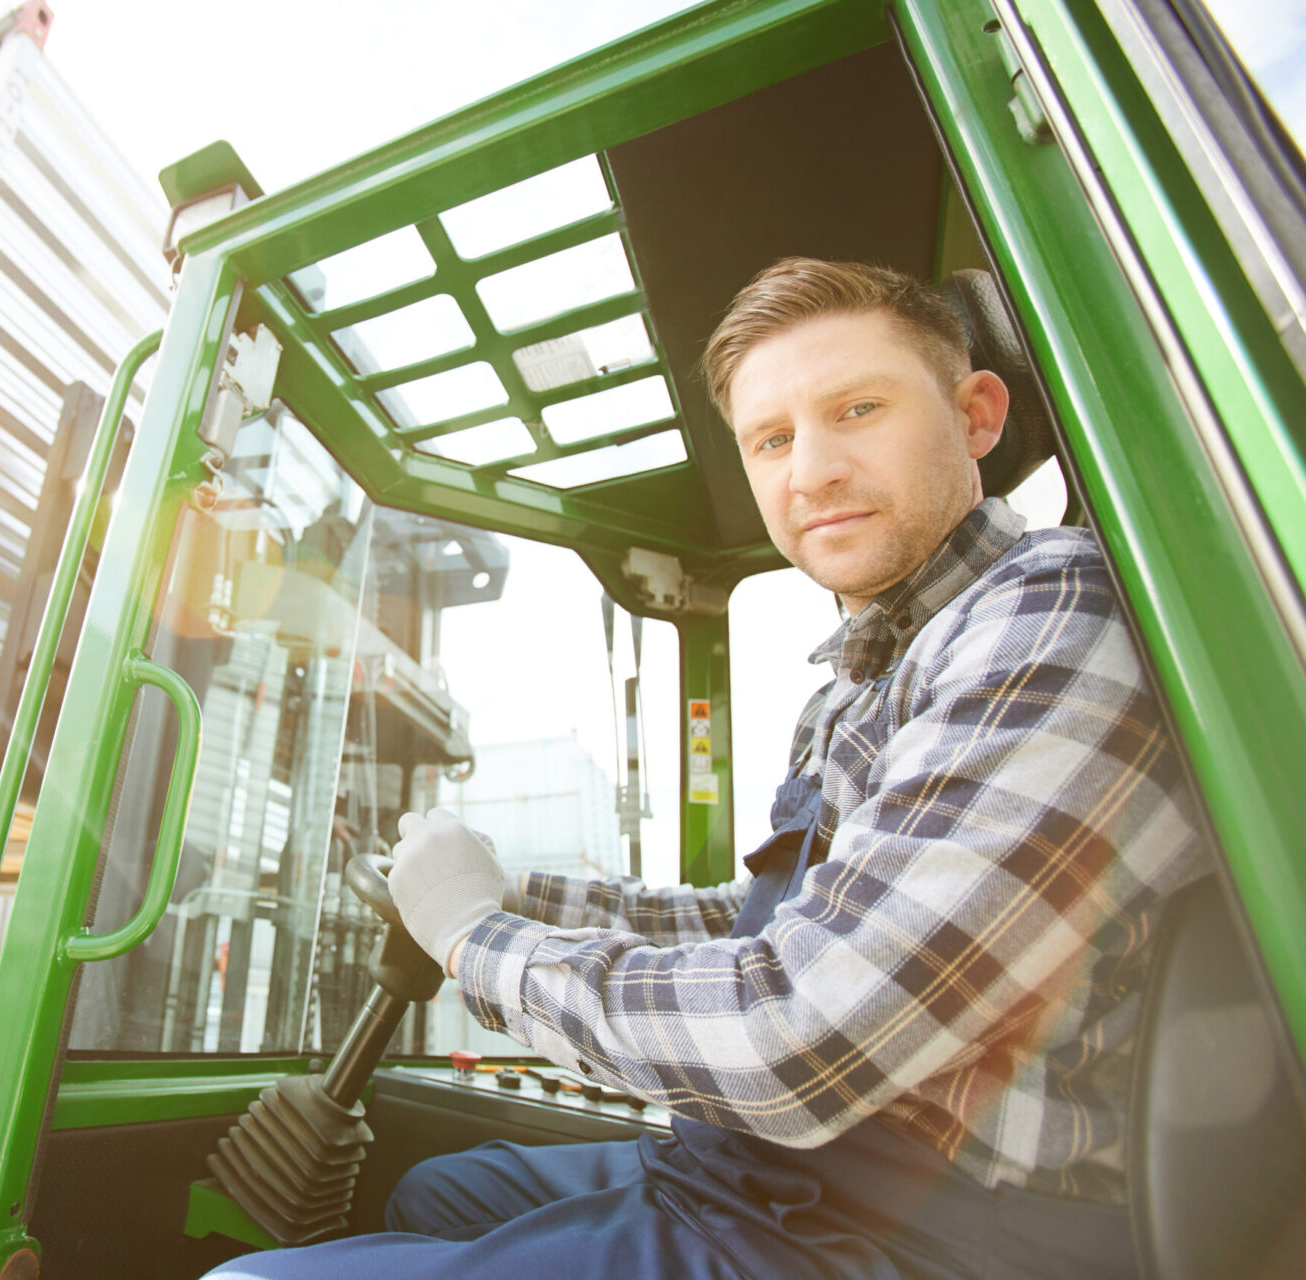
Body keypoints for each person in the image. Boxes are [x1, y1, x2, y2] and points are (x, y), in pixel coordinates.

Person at [203, 258, 1205, 1279]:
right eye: (772, 439)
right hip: (788, 1177)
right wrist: (513, 891)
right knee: (438, 1188)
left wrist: (476, 939)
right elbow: (760, 923)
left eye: (857, 409)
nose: (809, 470)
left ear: (976, 414)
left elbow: (800, 1036)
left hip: (924, 1234)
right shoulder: (870, 669)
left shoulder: (1043, 615)